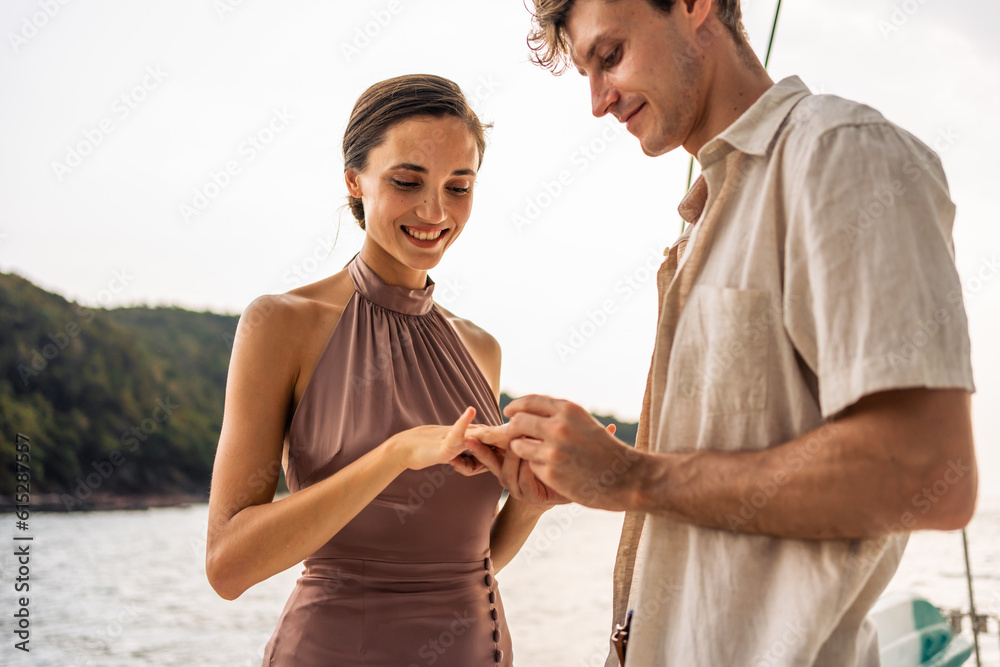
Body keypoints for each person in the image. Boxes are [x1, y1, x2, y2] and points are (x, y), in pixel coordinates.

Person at [466, 1, 979, 665]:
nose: (597, 102)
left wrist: (629, 474)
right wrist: (594, 477)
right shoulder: (699, 225)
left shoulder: (842, 151)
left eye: (611, 55)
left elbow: (929, 467)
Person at [205, 74, 547, 666]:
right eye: (407, 181)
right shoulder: (282, 325)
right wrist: (395, 455)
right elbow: (227, 566)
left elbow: (463, 560)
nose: (435, 210)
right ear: (354, 181)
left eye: (459, 186)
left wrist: (531, 503)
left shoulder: (479, 348)